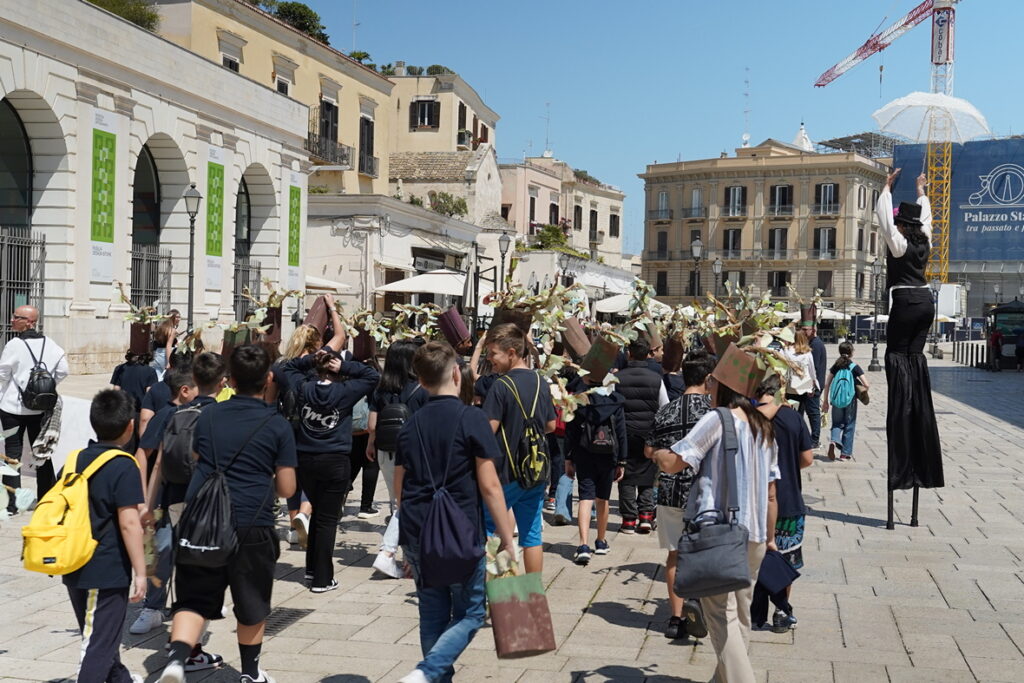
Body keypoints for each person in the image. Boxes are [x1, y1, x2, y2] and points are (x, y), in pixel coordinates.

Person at [159, 345, 297, 683]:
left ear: (230, 380)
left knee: (193, 597)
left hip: (203, 520)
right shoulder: (277, 425)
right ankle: (250, 673)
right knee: (251, 603)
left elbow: (194, 456)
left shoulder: (206, 416)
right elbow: (287, 488)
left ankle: (177, 661)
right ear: (268, 379)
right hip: (253, 523)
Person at [393, 341, 515, 683]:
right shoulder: (472, 418)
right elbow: (490, 486)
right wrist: (507, 538)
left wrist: (407, 539)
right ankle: (428, 672)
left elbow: (399, 489)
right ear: (455, 375)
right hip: (460, 529)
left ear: (420, 379)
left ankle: (431, 676)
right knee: (472, 613)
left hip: (418, 527)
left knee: (431, 612)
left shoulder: (410, 423)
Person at [649, 373, 780, 683]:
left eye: (712, 381)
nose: (707, 387)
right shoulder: (763, 426)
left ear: (724, 385)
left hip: (720, 534)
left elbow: (674, 462)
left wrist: (656, 453)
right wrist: (771, 537)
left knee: (720, 616)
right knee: (741, 614)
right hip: (756, 534)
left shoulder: (717, 419)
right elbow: (772, 492)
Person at [61, 389, 147, 683]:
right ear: (130, 426)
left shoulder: (74, 460)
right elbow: (129, 524)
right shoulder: (124, 465)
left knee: (103, 636)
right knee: (98, 645)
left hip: (73, 562)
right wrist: (141, 572)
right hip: (106, 570)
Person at [279, 349, 378, 593]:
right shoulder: (344, 391)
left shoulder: (305, 388)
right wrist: (343, 366)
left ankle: (312, 570)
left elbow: (286, 368)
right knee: (327, 520)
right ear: (333, 367)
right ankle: (323, 578)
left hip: (306, 458)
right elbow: (372, 376)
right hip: (334, 459)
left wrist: (308, 360)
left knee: (317, 517)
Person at [876, 168, 944, 527]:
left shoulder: (899, 242)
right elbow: (928, 220)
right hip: (926, 305)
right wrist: (921, 192)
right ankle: (915, 389)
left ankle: (900, 397)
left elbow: (885, 222)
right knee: (913, 358)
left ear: (903, 225)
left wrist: (886, 188)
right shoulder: (926, 242)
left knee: (894, 356)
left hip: (904, 303)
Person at [644, 349, 715, 640]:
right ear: (708, 379)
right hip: (704, 492)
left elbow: (649, 450)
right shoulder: (713, 413)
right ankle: (699, 605)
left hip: (670, 490)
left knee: (674, 554)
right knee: (705, 554)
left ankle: (675, 618)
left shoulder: (665, 411)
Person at [481, 323, 557, 575]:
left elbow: (486, 432)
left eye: (493, 354)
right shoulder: (540, 381)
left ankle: (499, 593)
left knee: (491, 529)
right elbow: (551, 424)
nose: (489, 359)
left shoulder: (500, 386)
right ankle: (533, 597)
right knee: (532, 535)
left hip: (505, 471)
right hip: (534, 469)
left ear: (511, 352)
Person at [367, 339, 429, 577]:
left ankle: (406, 559)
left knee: (398, 503)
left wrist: (371, 445)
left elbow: (372, 424)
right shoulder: (422, 388)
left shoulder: (381, 388)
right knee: (408, 506)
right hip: (415, 453)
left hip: (386, 451)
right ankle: (389, 552)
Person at [0, 304, 69, 511]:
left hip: (13, 408)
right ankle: (45, 501)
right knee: (42, 454)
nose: (12, 320)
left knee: (13, 453)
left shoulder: (13, 345)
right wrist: (46, 389)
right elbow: (64, 370)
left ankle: (13, 503)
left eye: (17, 317)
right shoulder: (51, 344)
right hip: (41, 409)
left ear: (29, 321)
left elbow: (2, 374)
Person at [761, 374, 814, 633]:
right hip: (789, 498)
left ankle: (748, 607)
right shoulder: (793, 417)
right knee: (786, 560)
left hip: (755, 501)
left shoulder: (745, 417)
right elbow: (807, 458)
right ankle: (781, 611)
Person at [565, 367, 627, 565]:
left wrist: (568, 457)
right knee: (603, 498)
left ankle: (583, 544)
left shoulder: (579, 401)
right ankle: (601, 541)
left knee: (585, 497)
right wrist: (622, 460)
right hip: (608, 454)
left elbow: (571, 431)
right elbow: (621, 432)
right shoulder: (616, 401)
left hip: (584, 453)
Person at [613, 337, 669, 534]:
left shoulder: (618, 378)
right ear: (648, 354)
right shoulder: (657, 378)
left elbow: (612, 404)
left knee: (625, 474)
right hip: (649, 432)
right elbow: (665, 406)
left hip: (624, 431)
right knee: (647, 472)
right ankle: (645, 516)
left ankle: (628, 519)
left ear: (629, 354)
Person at [822, 342, 869, 462]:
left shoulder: (836, 366)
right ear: (851, 352)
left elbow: (827, 384)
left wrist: (825, 401)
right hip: (850, 400)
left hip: (836, 400)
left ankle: (833, 440)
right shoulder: (854, 366)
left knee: (837, 423)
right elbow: (866, 384)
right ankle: (845, 454)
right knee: (849, 424)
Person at [800, 321, 827, 449]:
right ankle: (803, 437)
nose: (803, 332)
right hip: (809, 384)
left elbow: (813, 368)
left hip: (813, 385)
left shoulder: (815, 344)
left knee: (813, 413)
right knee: (803, 411)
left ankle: (814, 440)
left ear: (813, 330)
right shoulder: (811, 343)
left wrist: (811, 386)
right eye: (802, 329)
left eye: (806, 329)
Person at [151, 310, 181, 380]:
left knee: (157, 377)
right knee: (167, 378)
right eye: (177, 317)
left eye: (179, 317)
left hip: (157, 353)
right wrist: (169, 362)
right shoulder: (171, 330)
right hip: (166, 355)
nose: (179, 319)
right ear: (173, 318)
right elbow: (168, 345)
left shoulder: (161, 327)